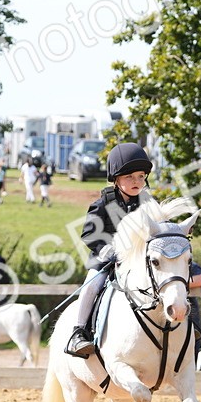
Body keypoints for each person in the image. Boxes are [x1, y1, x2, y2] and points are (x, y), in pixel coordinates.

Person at [65, 142, 153, 357]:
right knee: (92, 285)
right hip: (106, 260)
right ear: (116, 179)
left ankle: (185, 324)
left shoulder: (148, 202)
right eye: (130, 177)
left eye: (141, 177)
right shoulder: (103, 203)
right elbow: (88, 233)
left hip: (138, 261)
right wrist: (106, 250)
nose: (137, 182)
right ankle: (78, 332)